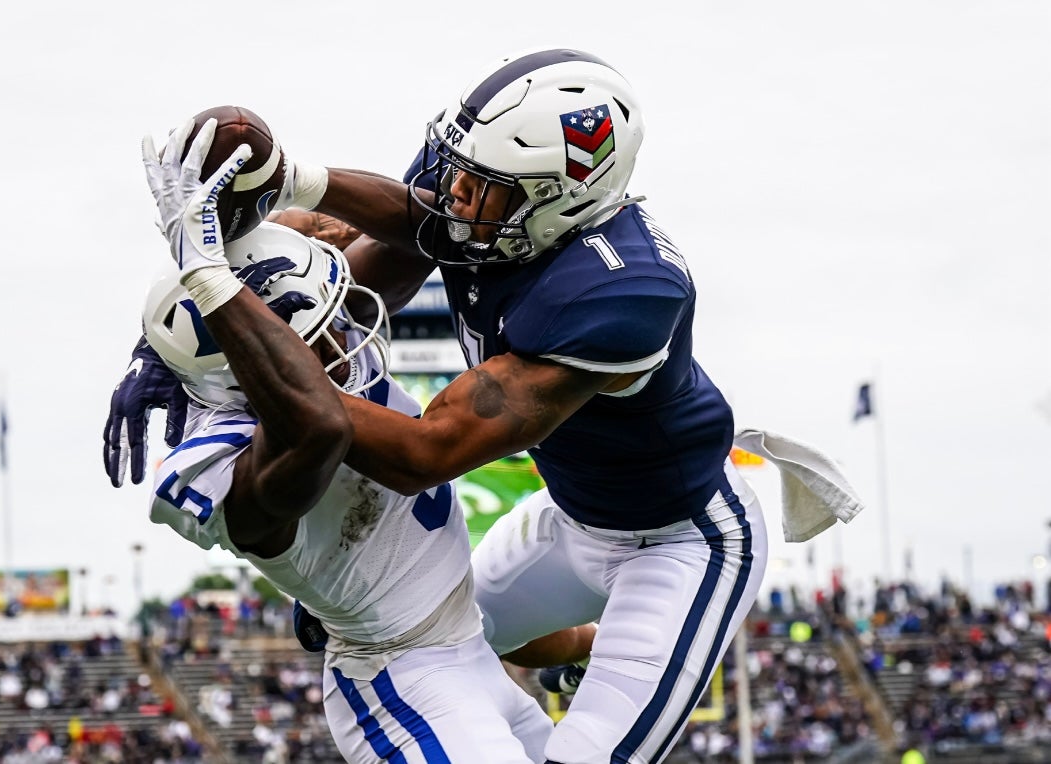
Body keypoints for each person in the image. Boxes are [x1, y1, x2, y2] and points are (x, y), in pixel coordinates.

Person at [109, 48, 768, 762]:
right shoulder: (491, 184)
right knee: (460, 620)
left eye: (479, 189)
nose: (452, 195)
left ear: (557, 197)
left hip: (679, 537)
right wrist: (291, 183)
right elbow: (377, 278)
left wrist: (229, 316)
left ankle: (620, 651)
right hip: (570, 512)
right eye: (455, 174)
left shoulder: (620, 293)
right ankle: (584, 647)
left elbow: (422, 452)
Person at [133, 117, 553, 763]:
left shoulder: (309, 344)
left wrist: (292, 183)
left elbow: (426, 234)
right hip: (400, 680)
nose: (346, 334)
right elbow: (317, 427)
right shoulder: (221, 461)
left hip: (462, 652)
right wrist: (207, 273)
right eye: (320, 326)